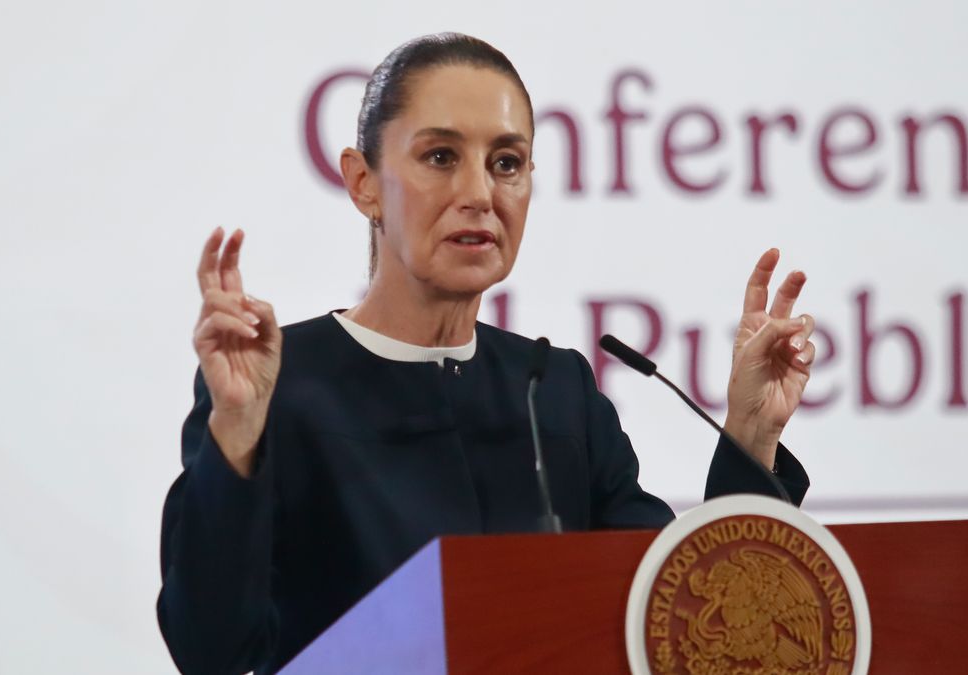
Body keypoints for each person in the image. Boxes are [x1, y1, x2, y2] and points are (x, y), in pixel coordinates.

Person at [157, 33, 818, 675]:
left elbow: (677, 616)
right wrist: (239, 432)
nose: (480, 193)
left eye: (506, 162)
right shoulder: (281, 383)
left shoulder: (554, 390)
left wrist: (751, 434)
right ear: (363, 183)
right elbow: (211, 648)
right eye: (441, 156)